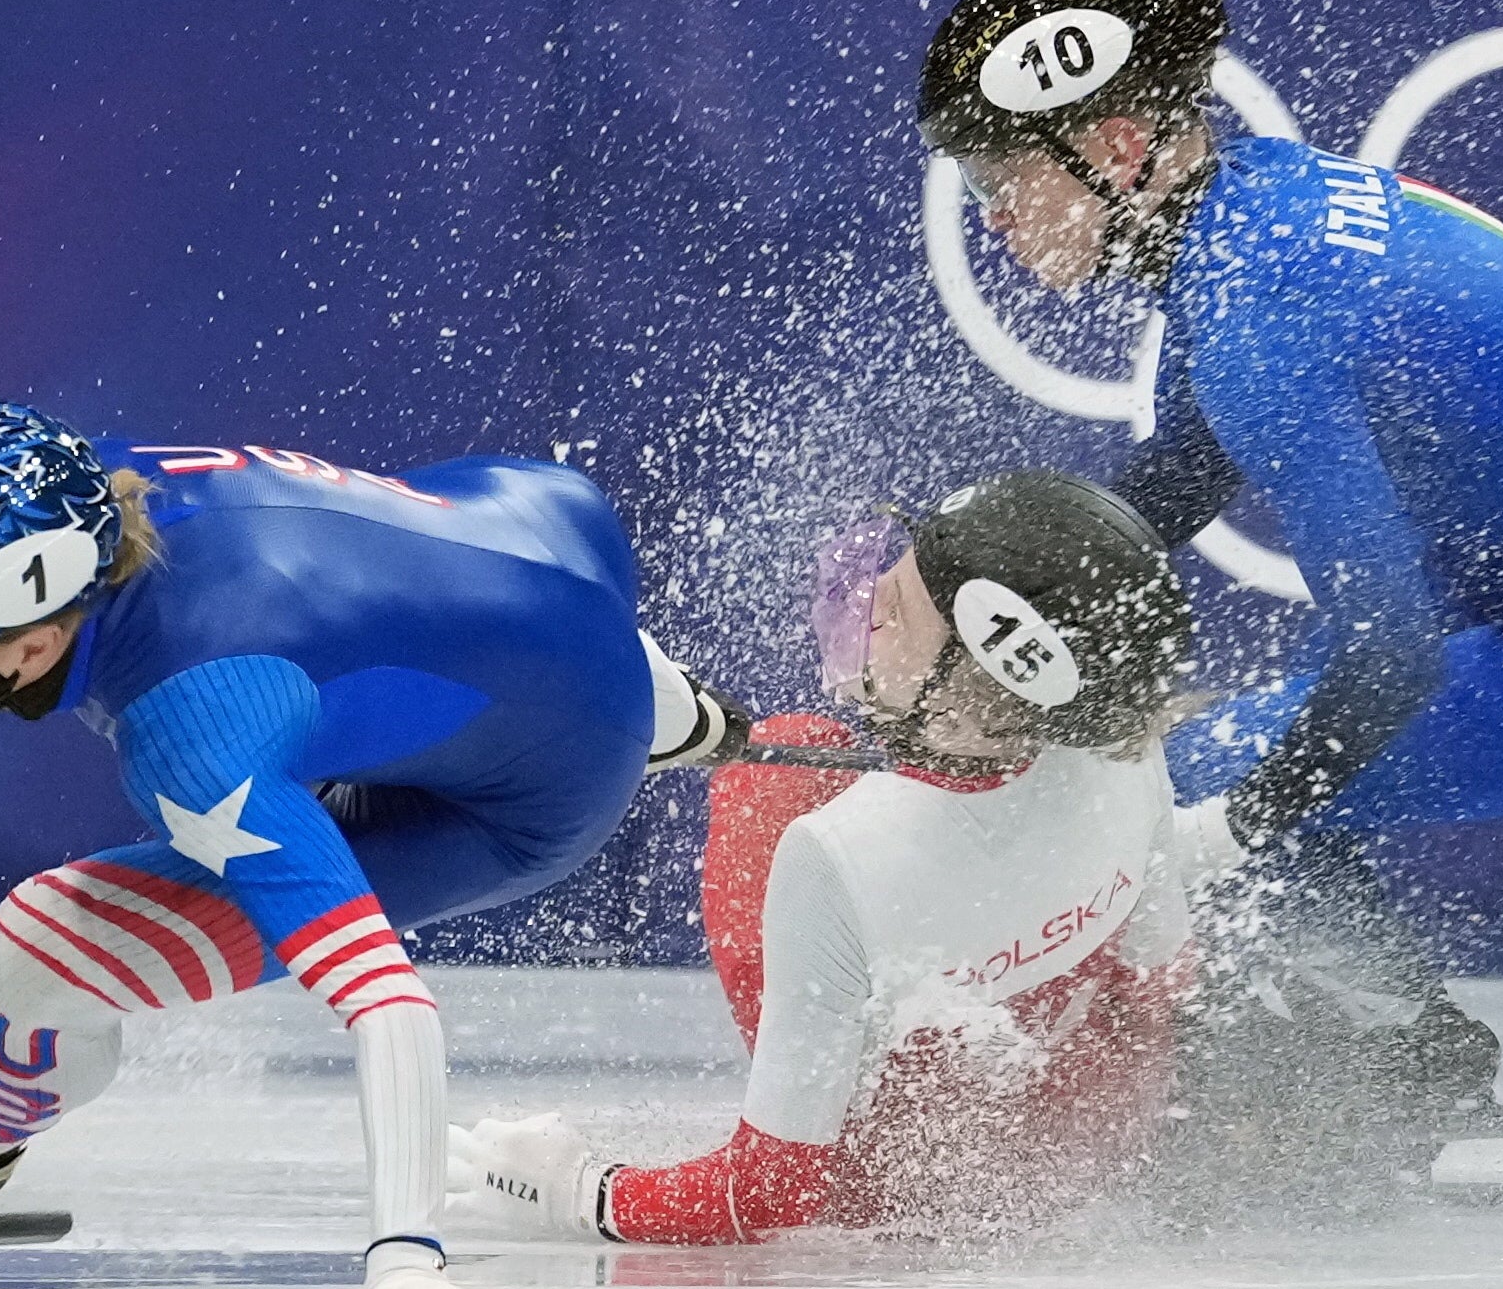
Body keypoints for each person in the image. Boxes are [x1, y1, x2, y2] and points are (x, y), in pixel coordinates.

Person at [915, 0, 1503, 1121]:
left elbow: (1393, 657)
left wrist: (1221, 832)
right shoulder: (1244, 211)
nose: (995, 221)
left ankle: (1389, 1055)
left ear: (1116, 149)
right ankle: (1377, 1038)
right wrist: (969, 605)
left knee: (1190, 774)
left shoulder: (1259, 318)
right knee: (1204, 757)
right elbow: (1176, 482)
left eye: (999, 179)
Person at [0, 400, 743, 1289]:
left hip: (517, 802)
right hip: (543, 526)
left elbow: (388, 1004)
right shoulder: (71, 489)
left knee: (41, 945)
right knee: (499, 658)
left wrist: (404, 1256)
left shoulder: (198, 733)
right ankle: (673, 712)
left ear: (28, 648)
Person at [448, 471, 1231, 1243]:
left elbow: (767, 1193)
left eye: (892, 610)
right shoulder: (1120, 737)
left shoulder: (839, 852)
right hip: (1101, 1129)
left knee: (775, 766)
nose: (864, 603)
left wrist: (580, 1189)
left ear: (956, 707)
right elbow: (1161, 980)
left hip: (914, 1179)